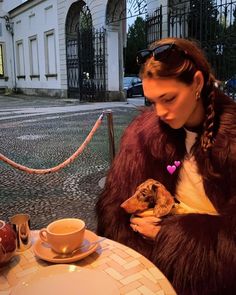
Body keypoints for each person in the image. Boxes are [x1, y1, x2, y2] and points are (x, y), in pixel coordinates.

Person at [96, 37, 236, 295]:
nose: (159, 112)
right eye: (152, 101)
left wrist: (171, 235)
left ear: (196, 83)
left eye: (168, 99)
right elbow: (115, 212)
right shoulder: (144, 136)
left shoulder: (231, 139)